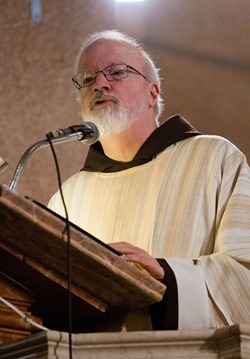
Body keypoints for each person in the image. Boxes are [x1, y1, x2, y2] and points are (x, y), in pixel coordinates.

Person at [48, 29, 250, 330]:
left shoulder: (214, 158)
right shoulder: (68, 197)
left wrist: (166, 276)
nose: (99, 84)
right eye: (87, 79)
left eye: (116, 72)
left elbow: (244, 271)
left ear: (153, 93)